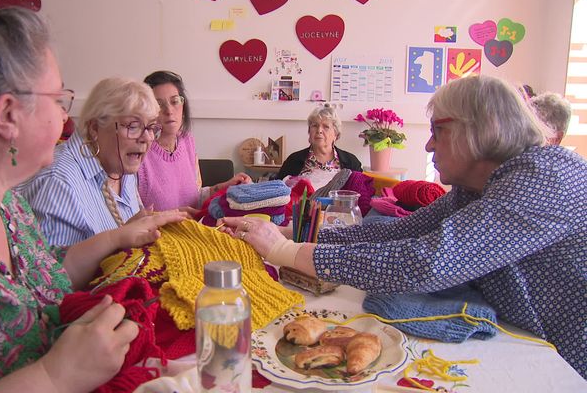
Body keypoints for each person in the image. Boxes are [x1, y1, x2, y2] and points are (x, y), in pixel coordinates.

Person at [220, 75, 587, 378]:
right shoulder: (479, 185)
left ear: (479, 128)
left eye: (436, 130)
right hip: (535, 341)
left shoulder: (546, 176)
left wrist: (286, 252)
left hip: (570, 361)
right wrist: (292, 235)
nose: (428, 144)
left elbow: (425, 261)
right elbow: (399, 231)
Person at [0, 7, 186, 390]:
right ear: (8, 114)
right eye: (59, 100)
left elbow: (51, 272)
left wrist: (120, 237)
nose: (66, 120)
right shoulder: (54, 180)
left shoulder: (9, 204)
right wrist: (54, 376)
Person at [17, 76, 182, 246]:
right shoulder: (58, 183)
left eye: (151, 127)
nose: (147, 138)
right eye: (133, 126)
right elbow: (55, 270)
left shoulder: (120, 165)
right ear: (95, 128)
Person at [139, 70, 251, 212]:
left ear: (183, 107)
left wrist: (224, 186)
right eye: (159, 105)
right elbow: (132, 218)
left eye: (175, 101)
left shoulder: (187, 141)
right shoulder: (139, 152)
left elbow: (195, 196)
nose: (169, 111)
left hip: (193, 231)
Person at [276, 104, 362, 189]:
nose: (319, 131)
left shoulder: (351, 162)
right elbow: (277, 191)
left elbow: (360, 193)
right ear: (309, 132)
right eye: (315, 126)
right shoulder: (293, 160)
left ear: (336, 134)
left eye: (326, 127)